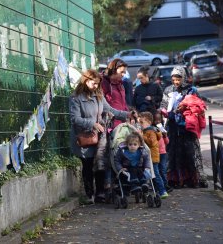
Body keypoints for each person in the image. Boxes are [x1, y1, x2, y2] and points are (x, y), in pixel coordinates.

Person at [69, 69, 133, 203]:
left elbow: (109, 109)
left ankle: (100, 193)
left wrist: (127, 115)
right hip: (84, 138)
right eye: (94, 83)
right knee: (87, 166)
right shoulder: (76, 97)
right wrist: (92, 123)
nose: (96, 86)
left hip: (99, 136)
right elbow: (75, 119)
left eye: (98, 83)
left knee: (100, 164)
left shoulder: (98, 94)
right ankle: (89, 194)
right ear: (86, 81)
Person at [160, 66, 208, 188]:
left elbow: (199, 106)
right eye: (174, 79)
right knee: (173, 153)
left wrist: (184, 108)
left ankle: (192, 179)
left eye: (178, 79)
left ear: (184, 78)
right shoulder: (168, 89)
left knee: (189, 152)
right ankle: (175, 180)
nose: (176, 82)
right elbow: (163, 104)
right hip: (172, 126)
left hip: (187, 127)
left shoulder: (191, 90)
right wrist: (164, 110)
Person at [139, 112, 169, 199]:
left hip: (153, 157)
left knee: (155, 174)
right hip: (148, 157)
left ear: (148, 122)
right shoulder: (146, 131)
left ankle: (162, 190)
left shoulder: (151, 131)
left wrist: (142, 137)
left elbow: (152, 143)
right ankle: (155, 190)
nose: (140, 125)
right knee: (149, 174)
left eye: (142, 122)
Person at [101, 58, 129, 130]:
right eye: (122, 72)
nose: (123, 75)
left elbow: (123, 103)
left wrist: (129, 115)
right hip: (110, 123)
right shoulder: (102, 83)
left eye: (124, 72)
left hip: (122, 122)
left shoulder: (120, 84)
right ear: (113, 69)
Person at [153, 111, 172, 193]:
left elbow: (167, 142)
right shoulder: (152, 130)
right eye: (156, 120)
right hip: (156, 152)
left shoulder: (162, 129)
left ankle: (165, 185)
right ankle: (157, 185)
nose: (157, 122)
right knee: (156, 170)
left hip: (163, 153)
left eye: (159, 120)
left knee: (163, 170)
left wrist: (165, 136)